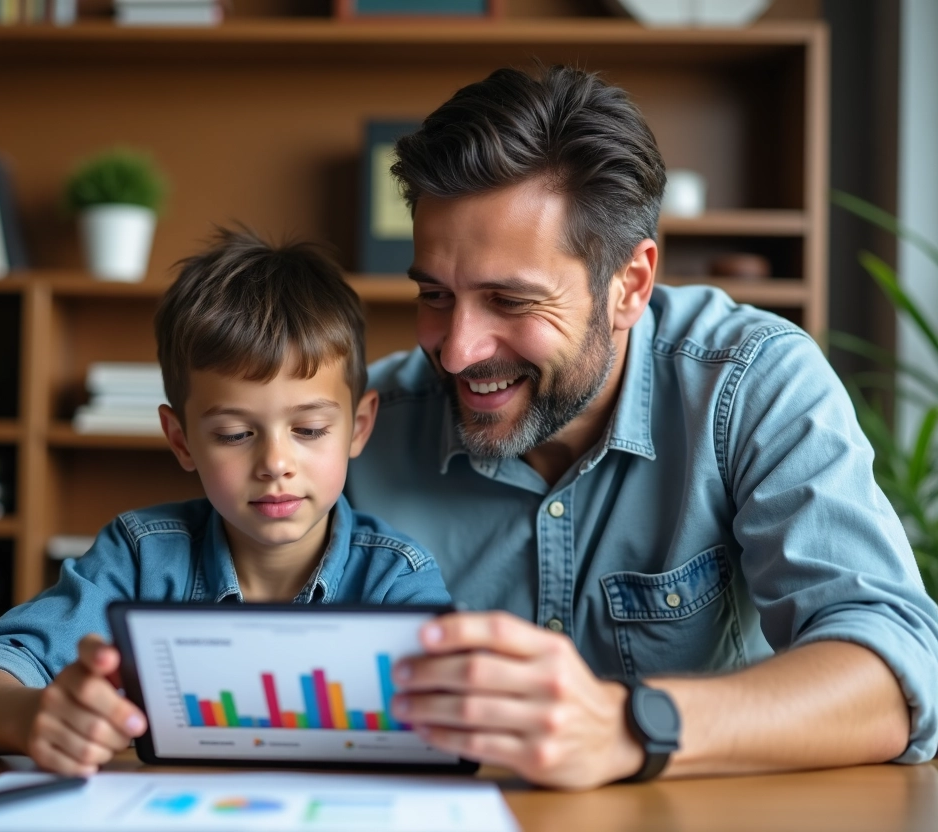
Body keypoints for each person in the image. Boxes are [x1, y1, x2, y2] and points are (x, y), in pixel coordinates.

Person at [344, 65, 938, 789]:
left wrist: (628, 727)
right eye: (435, 295)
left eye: (510, 300)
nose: (459, 349)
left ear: (630, 285)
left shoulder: (750, 383)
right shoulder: (355, 429)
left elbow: (894, 676)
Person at [0, 230, 451, 774]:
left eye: (309, 428)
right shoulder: (138, 559)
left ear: (358, 426)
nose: (275, 463)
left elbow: (457, 720)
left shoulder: (397, 578)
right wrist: (32, 715)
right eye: (234, 434)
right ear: (181, 439)